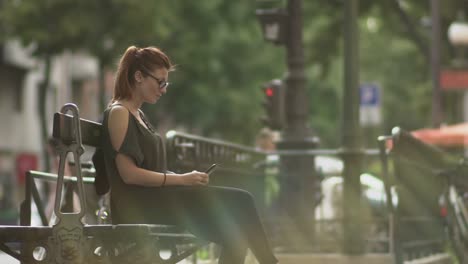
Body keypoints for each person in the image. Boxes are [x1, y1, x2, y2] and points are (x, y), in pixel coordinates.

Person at [95, 45, 278, 264]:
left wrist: (187, 180)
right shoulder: (119, 113)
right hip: (140, 205)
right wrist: (181, 179)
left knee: (235, 236)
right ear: (138, 77)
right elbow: (128, 174)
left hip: (157, 199)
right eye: (160, 82)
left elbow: (152, 169)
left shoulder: (138, 114)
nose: (164, 89)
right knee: (242, 200)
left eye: (166, 83)